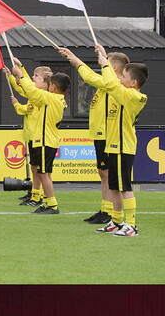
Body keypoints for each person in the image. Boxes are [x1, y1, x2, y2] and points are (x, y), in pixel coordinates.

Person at [60, 45, 148, 237]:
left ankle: (131, 224)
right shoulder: (120, 90)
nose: (120, 79)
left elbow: (112, 84)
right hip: (114, 145)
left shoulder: (133, 95)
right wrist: (103, 60)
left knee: (124, 186)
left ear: (133, 83)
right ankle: (117, 221)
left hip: (124, 146)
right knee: (115, 185)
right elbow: (109, 83)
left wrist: (105, 64)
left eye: (124, 77)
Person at [68, 49, 130, 225]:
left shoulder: (113, 83)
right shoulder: (107, 83)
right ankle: (106, 209)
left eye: (106, 61)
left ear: (114, 67)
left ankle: (109, 211)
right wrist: (102, 53)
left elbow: (90, 78)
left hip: (106, 133)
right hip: (99, 133)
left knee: (107, 173)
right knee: (103, 173)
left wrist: (77, 61)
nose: (101, 63)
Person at [10, 58, 68, 215]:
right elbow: (29, 91)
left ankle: (52, 204)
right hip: (46, 139)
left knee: (43, 173)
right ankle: (47, 202)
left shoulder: (52, 98)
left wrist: (21, 75)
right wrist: (19, 75)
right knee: (44, 173)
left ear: (53, 87)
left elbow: (31, 90)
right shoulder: (55, 99)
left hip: (45, 140)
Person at [5, 63, 53, 204]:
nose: (33, 78)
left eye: (36, 76)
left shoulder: (43, 97)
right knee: (36, 168)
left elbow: (25, 91)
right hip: (34, 135)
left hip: (41, 137)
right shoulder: (36, 96)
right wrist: (12, 75)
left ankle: (44, 197)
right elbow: (24, 89)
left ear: (45, 84)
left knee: (42, 171)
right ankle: (36, 194)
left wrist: (20, 72)